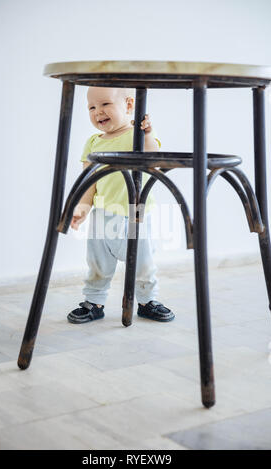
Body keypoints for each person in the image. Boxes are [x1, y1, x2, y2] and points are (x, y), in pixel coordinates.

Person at [67, 86, 174, 324]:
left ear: (128, 105)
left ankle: (147, 301)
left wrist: (146, 134)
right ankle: (94, 301)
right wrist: (82, 208)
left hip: (135, 213)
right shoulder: (93, 142)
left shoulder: (135, 135)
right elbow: (88, 181)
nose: (98, 112)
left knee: (143, 261)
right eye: (91, 107)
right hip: (102, 213)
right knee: (97, 261)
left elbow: (153, 157)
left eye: (105, 104)